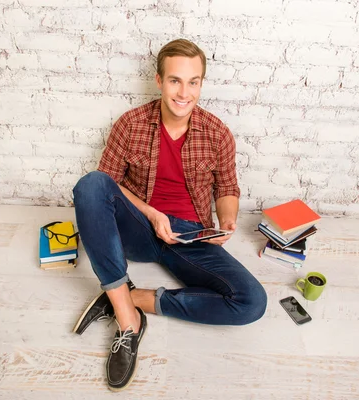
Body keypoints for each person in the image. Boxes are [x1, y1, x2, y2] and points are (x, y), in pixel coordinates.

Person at [72, 38, 267, 392]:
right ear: (159, 81)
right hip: (139, 227)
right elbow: (107, 185)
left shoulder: (217, 133)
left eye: (193, 82)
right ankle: (128, 320)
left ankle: (129, 297)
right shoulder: (130, 124)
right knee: (90, 184)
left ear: (201, 84)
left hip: (190, 237)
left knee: (252, 303)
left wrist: (227, 220)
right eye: (175, 80)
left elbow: (227, 188)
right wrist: (151, 213)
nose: (184, 92)